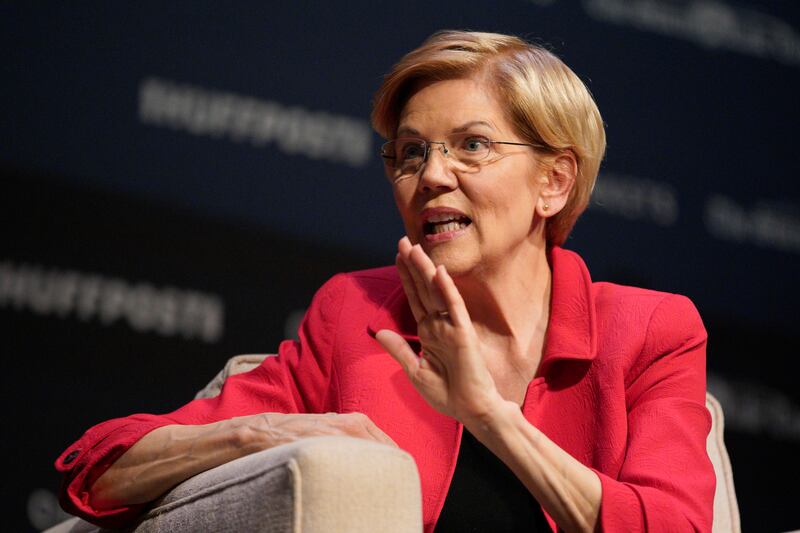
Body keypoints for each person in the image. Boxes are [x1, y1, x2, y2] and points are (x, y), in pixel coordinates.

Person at [56, 31, 715, 532]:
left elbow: (675, 523)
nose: (430, 175)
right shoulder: (357, 313)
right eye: (410, 152)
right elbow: (100, 465)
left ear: (555, 181)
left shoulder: (651, 330)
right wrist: (269, 432)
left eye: (473, 145)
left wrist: (488, 414)